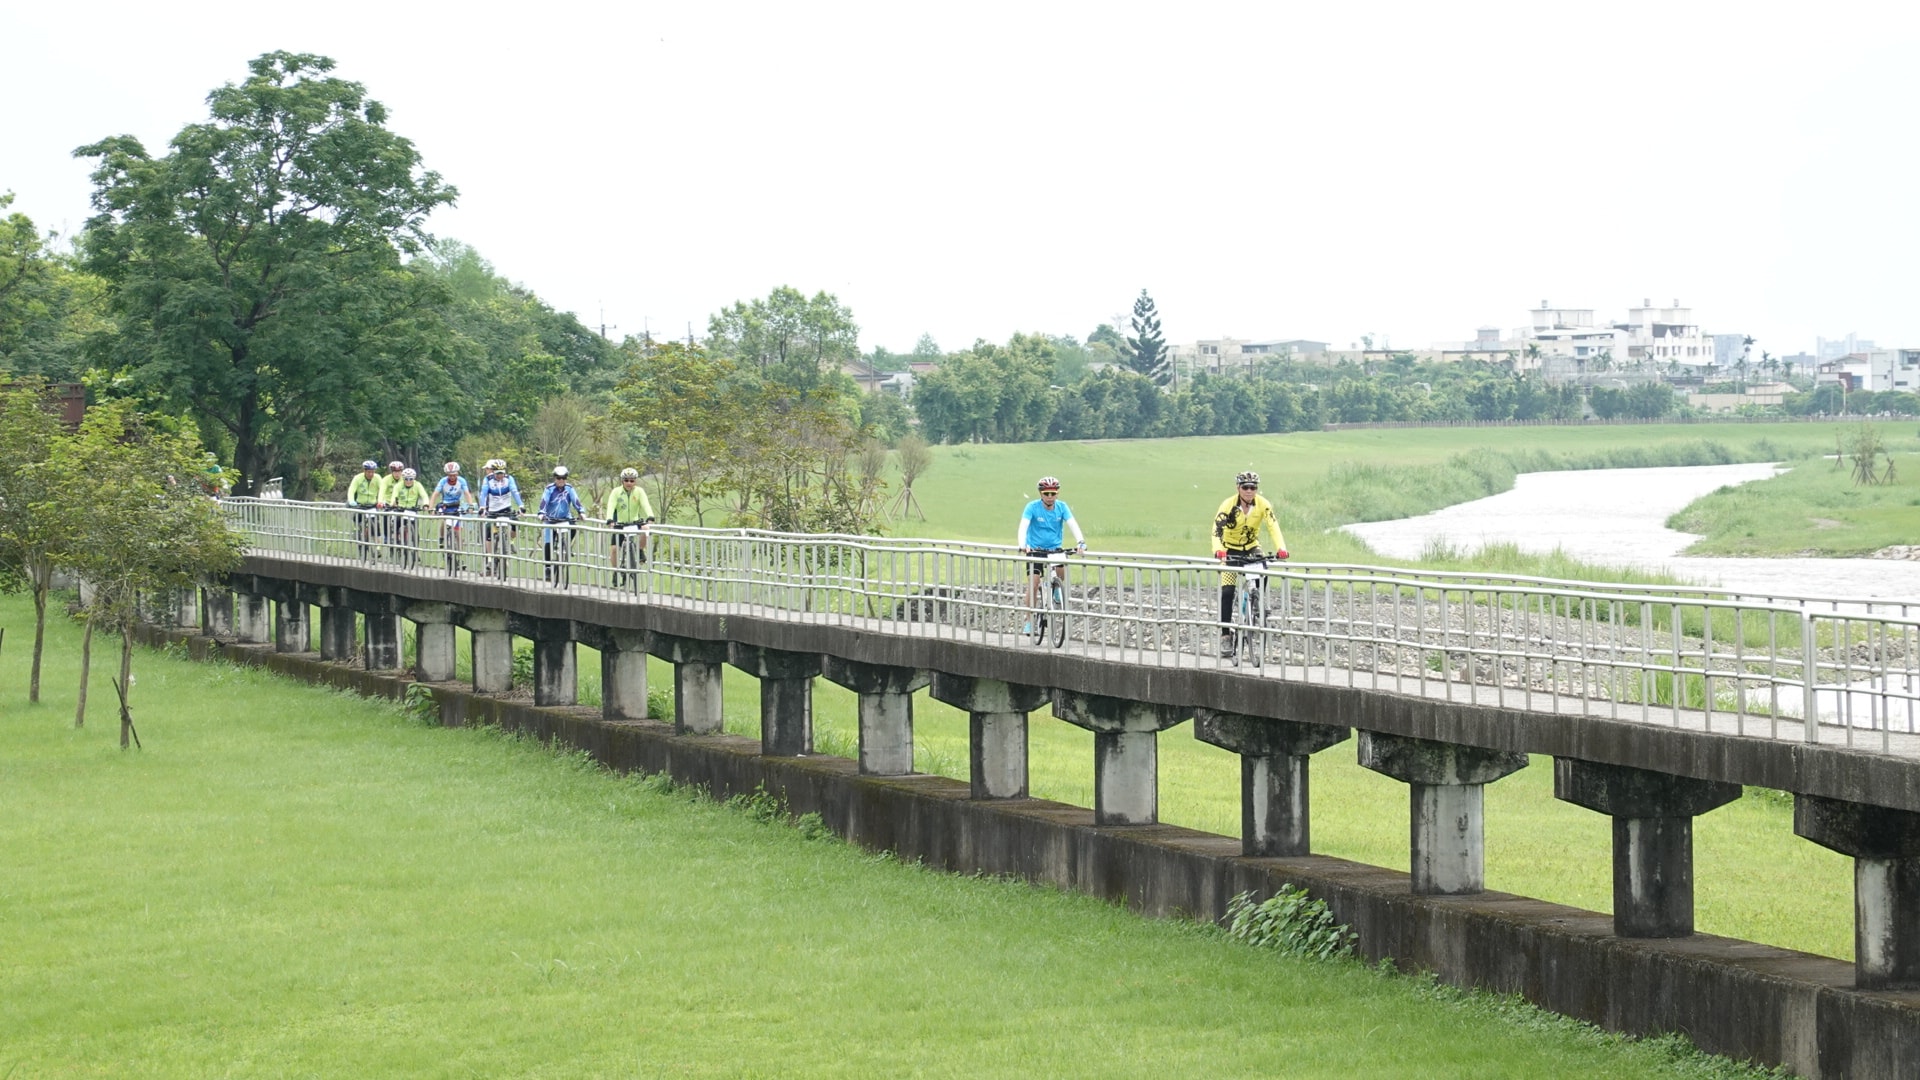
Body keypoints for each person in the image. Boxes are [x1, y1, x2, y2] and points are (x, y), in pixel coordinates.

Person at [1212, 469, 1288, 658]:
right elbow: (1216, 530)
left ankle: (1256, 601)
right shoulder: (1228, 505)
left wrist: (1282, 548)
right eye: (1245, 487)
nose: (1249, 490)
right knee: (1228, 592)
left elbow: (1273, 526)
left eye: (1253, 487)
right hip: (1229, 550)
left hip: (1251, 546)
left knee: (1263, 569)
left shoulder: (1263, 505)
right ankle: (1225, 635)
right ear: (1238, 488)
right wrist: (1218, 550)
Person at [1016, 476, 1085, 633]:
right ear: (1041, 493)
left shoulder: (1062, 507)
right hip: (1035, 550)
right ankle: (1029, 620)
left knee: (1061, 572)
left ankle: (1055, 589)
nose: (1049, 497)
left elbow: (1073, 524)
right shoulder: (1032, 507)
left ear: (1057, 494)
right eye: (1046, 493)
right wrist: (1022, 544)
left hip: (1054, 549)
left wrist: (1081, 542)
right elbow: (1023, 526)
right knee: (1033, 584)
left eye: (1053, 493)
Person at [605, 466, 655, 586]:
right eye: (626, 480)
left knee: (646, 529)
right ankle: (616, 572)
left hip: (634, 522)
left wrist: (650, 516)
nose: (629, 483)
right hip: (620, 524)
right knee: (614, 550)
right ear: (622, 480)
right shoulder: (616, 492)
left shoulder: (639, 491)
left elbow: (645, 504)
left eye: (632, 480)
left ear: (635, 481)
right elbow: (611, 506)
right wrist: (609, 519)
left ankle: (639, 550)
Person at [476, 459, 526, 578]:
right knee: (488, 531)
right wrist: (482, 507)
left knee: (515, 525)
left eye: (502, 473)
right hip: (493, 510)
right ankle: (490, 559)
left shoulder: (509, 479)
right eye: (497, 473)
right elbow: (483, 494)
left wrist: (521, 506)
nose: (500, 475)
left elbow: (514, 491)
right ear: (493, 472)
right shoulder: (487, 480)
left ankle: (510, 542)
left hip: (506, 509)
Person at [536, 465, 584, 584]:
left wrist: (581, 512)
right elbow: (544, 501)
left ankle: (566, 546)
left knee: (574, 527)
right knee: (548, 542)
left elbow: (576, 501)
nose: (561, 481)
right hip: (550, 519)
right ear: (555, 478)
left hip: (565, 518)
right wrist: (541, 513)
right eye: (558, 478)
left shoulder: (569, 488)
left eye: (564, 478)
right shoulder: (549, 489)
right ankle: (547, 567)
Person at [386, 467, 432, 563]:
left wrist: (426, 504)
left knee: (415, 532)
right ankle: (393, 541)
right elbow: (394, 496)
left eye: (410, 479)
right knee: (395, 525)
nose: (408, 481)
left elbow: (424, 495)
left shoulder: (417, 485)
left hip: (412, 510)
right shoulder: (398, 486)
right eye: (406, 479)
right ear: (403, 479)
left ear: (413, 479)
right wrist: (393, 503)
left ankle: (415, 552)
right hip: (400, 509)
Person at [345, 459, 383, 558]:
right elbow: (351, 490)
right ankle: (356, 531)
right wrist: (351, 501)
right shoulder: (358, 478)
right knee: (357, 519)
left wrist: (380, 501)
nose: (371, 474)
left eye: (373, 472)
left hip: (372, 505)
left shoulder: (377, 478)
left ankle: (378, 548)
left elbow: (382, 490)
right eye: (369, 472)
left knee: (376, 527)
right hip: (360, 504)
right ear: (364, 471)